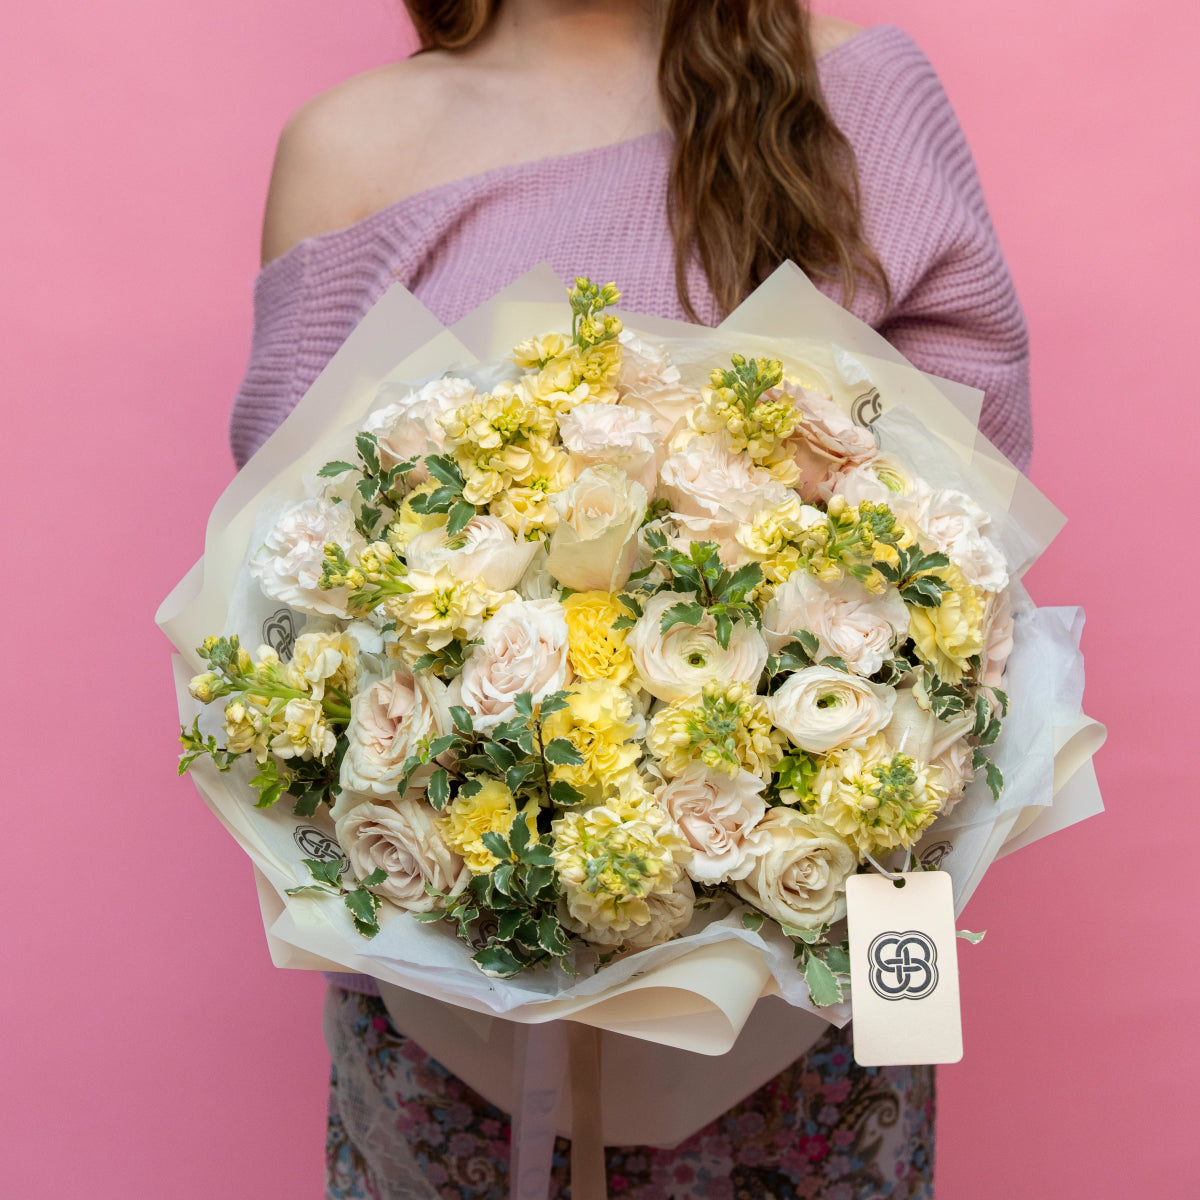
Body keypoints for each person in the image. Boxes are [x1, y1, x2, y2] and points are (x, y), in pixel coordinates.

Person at [229, 2, 1031, 1196]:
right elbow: (296, 590)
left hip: (796, 991)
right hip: (455, 998)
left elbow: (975, 530)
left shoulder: (857, 93)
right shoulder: (349, 149)